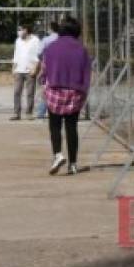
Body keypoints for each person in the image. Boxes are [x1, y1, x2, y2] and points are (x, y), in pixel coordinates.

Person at [40, 16, 91, 175]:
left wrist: (43, 84)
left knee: (54, 125)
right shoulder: (82, 50)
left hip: (55, 89)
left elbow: (44, 69)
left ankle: (58, 155)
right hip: (74, 91)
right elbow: (87, 73)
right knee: (71, 127)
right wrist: (83, 91)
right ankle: (73, 164)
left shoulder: (51, 48)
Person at [10, 23, 41, 121]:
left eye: (21, 29)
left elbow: (38, 55)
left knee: (30, 92)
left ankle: (29, 113)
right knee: (17, 92)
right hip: (19, 70)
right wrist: (13, 68)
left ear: (26, 30)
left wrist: (35, 68)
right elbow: (16, 54)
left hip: (30, 70)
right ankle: (16, 113)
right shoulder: (18, 41)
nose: (19, 32)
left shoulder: (35, 40)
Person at [34, 21, 60, 120]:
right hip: (61, 68)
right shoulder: (62, 39)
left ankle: (41, 112)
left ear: (50, 29)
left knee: (45, 90)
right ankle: (56, 110)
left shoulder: (46, 40)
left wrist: (42, 61)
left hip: (48, 67)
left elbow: (39, 52)